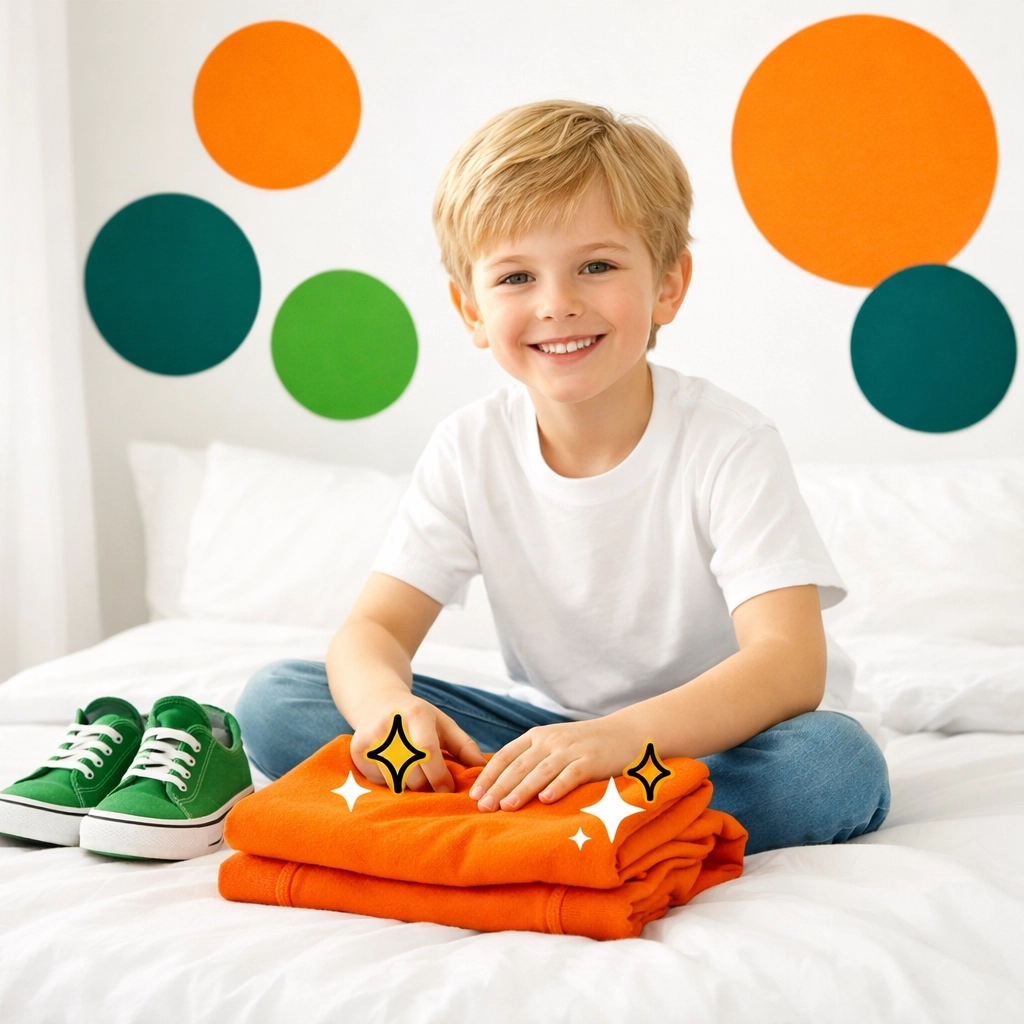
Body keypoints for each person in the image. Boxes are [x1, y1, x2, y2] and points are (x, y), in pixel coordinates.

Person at [235, 100, 889, 855]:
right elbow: (373, 630)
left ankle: (517, 831)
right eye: (516, 276)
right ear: (471, 310)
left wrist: (621, 740)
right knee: (280, 700)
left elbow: (788, 665)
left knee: (833, 768)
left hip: (714, 744)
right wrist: (387, 712)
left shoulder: (729, 444)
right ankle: (589, 830)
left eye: (597, 266)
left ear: (669, 285)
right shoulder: (469, 448)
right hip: (548, 743)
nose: (558, 303)